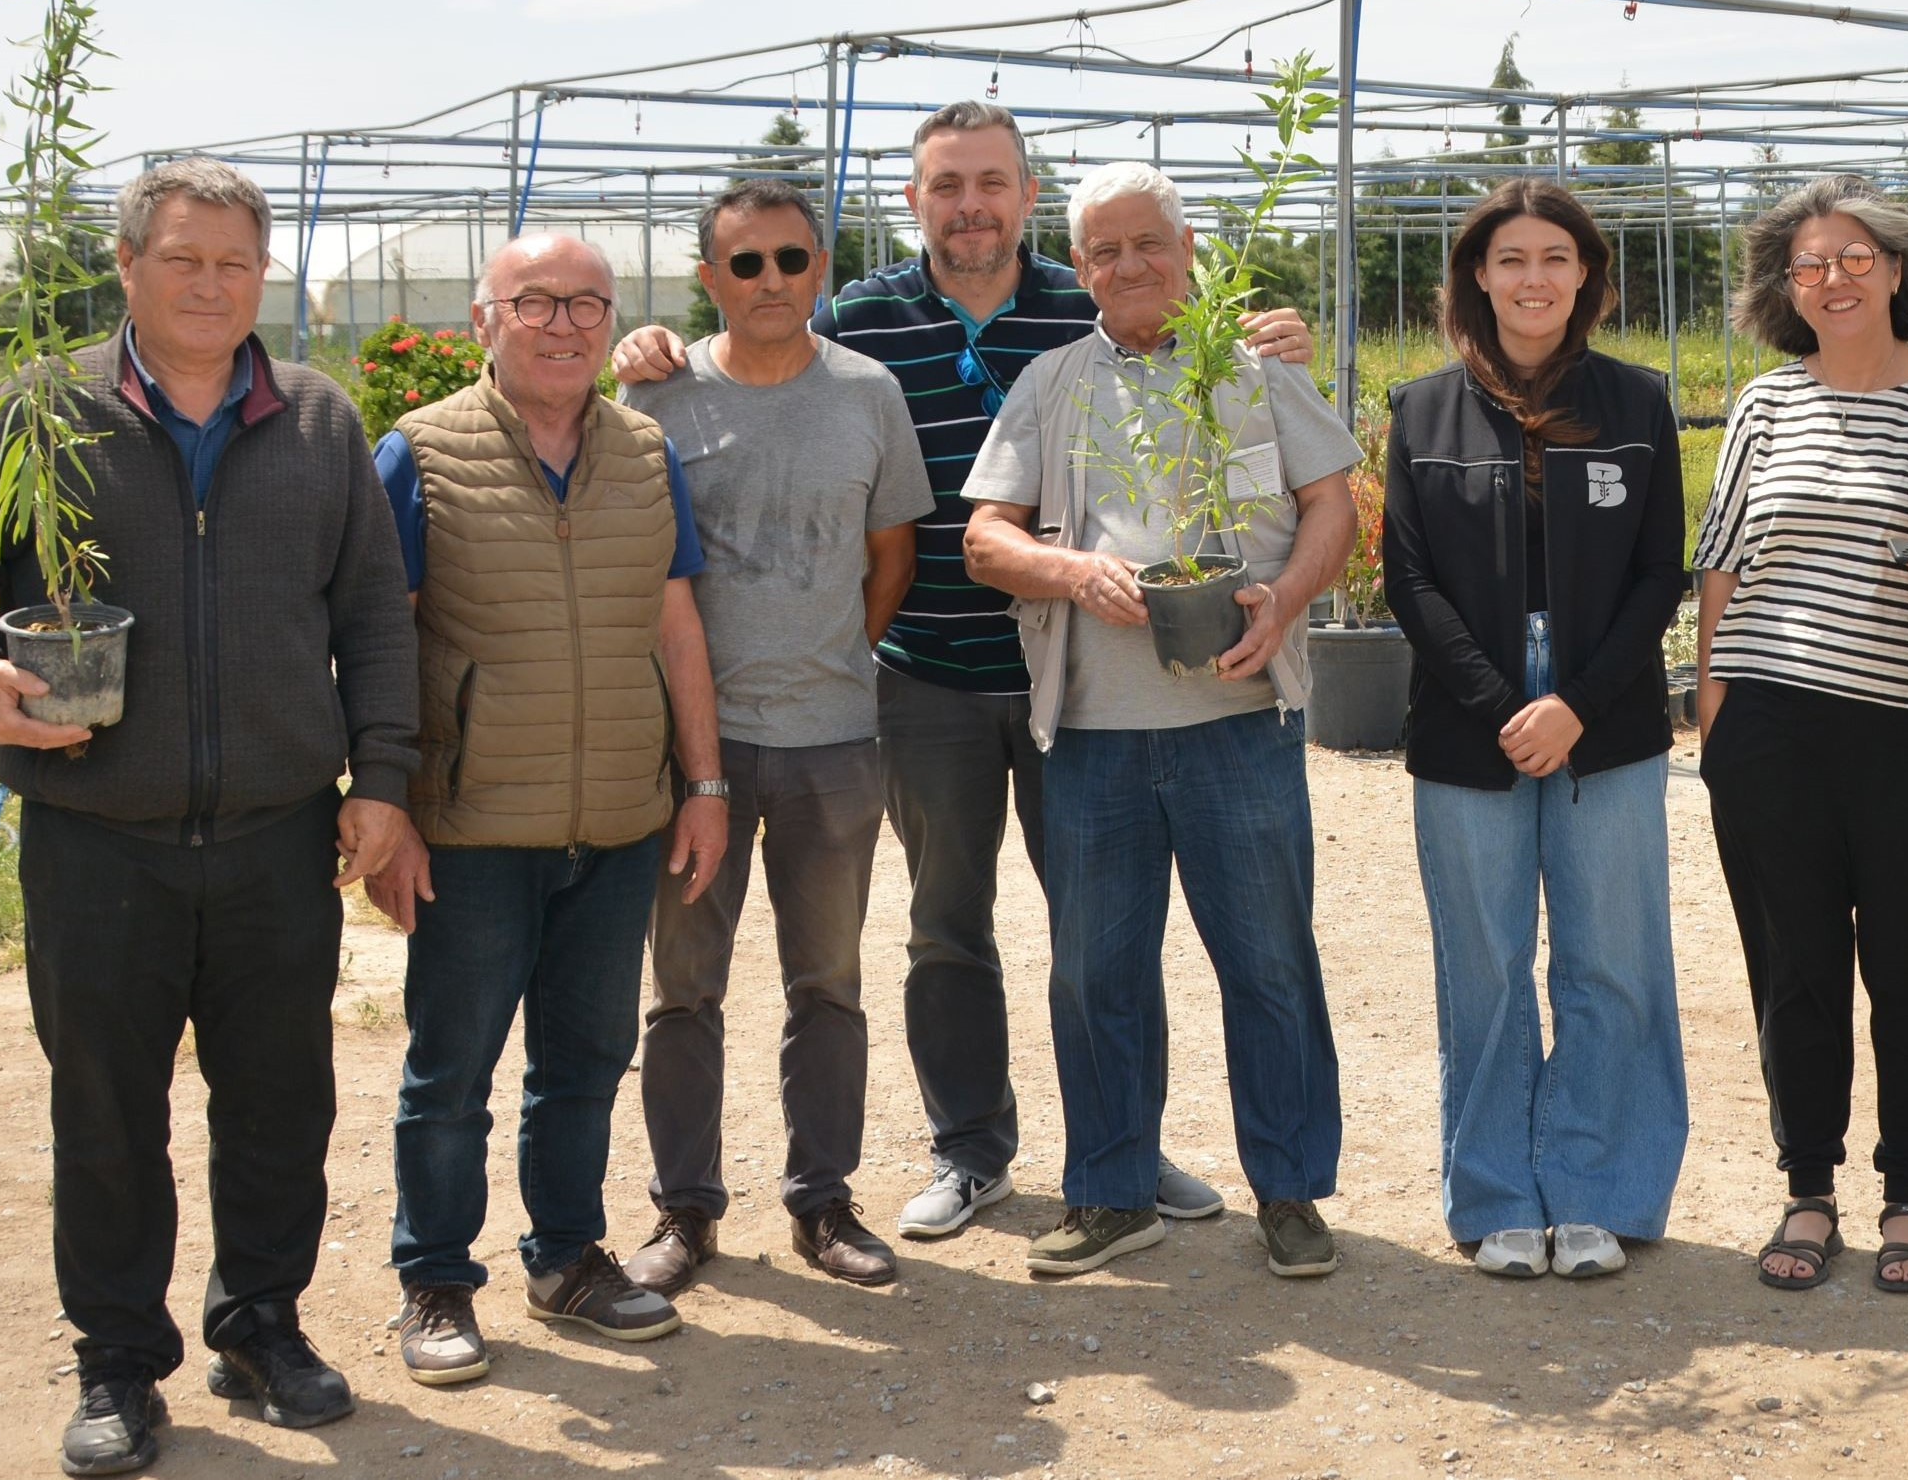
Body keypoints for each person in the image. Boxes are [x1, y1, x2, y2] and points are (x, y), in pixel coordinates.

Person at [607, 102, 1307, 1238]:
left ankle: (1125, 1146)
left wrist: (1273, 335)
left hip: (1083, 677)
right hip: (929, 672)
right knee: (946, 923)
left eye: (990, 182)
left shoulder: (1092, 302)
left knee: (1103, 926)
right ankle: (971, 1146)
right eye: (945, 185)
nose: (968, 205)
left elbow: (1204, 359)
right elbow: (764, 357)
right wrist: (654, 350)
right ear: (914, 201)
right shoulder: (860, 318)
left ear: (1028, 196)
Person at [0, 158, 415, 1477]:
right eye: (182, 258)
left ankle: (260, 1325)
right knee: (110, 1111)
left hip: (272, 836)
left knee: (279, 1101)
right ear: (128, 266)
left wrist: (387, 782)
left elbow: (371, 612)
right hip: (99, 835)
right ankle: (119, 1362)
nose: (208, 283)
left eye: (234, 262)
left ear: (262, 277)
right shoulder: (42, 409)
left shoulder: (315, 421)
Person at [962, 162, 1359, 1280]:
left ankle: (1287, 1190)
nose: (1128, 266)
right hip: (1092, 732)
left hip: (1239, 722)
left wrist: (1284, 602)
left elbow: (1332, 501)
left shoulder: (1255, 371)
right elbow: (986, 539)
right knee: (1096, 970)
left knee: (1270, 960)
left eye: (1149, 244)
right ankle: (1111, 1191)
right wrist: (1071, 569)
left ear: (1189, 250)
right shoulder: (1050, 383)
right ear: (1077, 264)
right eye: (1103, 250)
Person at [361, 232, 732, 1388]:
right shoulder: (416, 454)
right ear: (486, 318)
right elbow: (376, 643)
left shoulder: (644, 449)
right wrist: (384, 806)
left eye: (588, 303)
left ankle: (567, 1256)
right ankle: (434, 1279)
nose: (565, 322)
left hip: (618, 820)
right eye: (536, 301)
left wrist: (704, 783)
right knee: (453, 1067)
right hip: (470, 827)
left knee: (585, 1057)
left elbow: (677, 627)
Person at [619, 180, 937, 1296]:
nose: (769, 281)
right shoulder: (656, 397)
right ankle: (684, 1211)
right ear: (708, 278)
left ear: (820, 268)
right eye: (743, 263)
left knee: (829, 982)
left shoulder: (867, 393)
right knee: (682, 989)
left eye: (791, 260)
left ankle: (822, 1203)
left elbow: (890, 553)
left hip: (834, 739)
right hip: (690, 753)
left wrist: (835, 652)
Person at [1378, 179, 1689, 1283]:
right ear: (1476, 275)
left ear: (1587, 275)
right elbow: (1405, 579)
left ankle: (1601, 1187)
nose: (1533, 278)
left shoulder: (1637, 400)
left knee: (1612, 958)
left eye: (1555, 256)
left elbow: (1663, 573)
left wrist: (1575, 703)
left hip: (1604, 712)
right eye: (1510, 257)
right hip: (1472, 714)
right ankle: (1499, 1191)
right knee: (1486, 965)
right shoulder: (1422, 409)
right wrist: (1502, 701)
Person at [1693, 174, 1908, 1297]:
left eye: (1855, 258)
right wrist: (1714, 703)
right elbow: (1721, 556)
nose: (1832, 278)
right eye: (1809, 264)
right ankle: (1806, 1182)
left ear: (1901, 273)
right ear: (1787, 287)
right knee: (1793, 964)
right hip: (1768, 720)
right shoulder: (1767, 404)